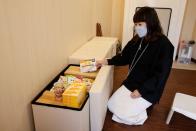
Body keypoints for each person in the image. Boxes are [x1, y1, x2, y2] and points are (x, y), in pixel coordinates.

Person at [96, 6, 174, 125]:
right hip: (132, 82)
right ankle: (136, 108)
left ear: (150, 23)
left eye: (140, 24)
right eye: (135, 24)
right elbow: (124, 56)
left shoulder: (165, 45)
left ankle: (144, 111)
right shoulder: (137, 39)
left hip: (148, 89)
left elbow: (161, 76)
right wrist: (107, 61)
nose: (137, 27)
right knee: (111, 105)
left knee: (123, 114)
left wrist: (141, 91)